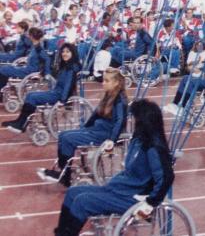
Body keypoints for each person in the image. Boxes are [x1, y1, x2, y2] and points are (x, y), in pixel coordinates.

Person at [53, 100, 174, 236]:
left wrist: (151, 202)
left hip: (132, 197)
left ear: (143, 121)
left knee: (82, 202)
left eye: (134, 118)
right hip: (119, 188)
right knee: (72, 193)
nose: (132, 121)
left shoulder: (154, 148)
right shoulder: (138, 139)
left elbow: (167, 177)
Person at [37, 68, 128, 187]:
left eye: (106, 81)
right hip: (97, 129)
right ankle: (62, 171)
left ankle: (65, 176)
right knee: (63, 135)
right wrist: (85, 128)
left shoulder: (120, 100)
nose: (103, 83)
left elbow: (120, 121)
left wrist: (112, 139)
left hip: (106, 133)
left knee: (68, 139)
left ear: (116, 83)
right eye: (103, 80)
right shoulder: (108, 95)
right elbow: (96, 114)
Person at [3, 43, 81, 133]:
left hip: (59, 95)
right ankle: (20, 121)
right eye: (63, 51)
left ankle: (21, 124)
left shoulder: (71, 68)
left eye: (67, 52)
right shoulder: (66, 66)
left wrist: (63, 101)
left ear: (73, 53)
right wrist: (44, 73)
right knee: (30, 95)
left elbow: (69, 85)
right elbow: (56, 78)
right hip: (55, 92)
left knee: (32, 97)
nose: (64, 53)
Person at [162, 44, 205, 116]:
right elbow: (203, 70)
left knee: (190, 82)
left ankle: (183, 107)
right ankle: (175, 104)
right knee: (185, 78)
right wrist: (194, 69)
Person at [0, 27, 51, 102]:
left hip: (29, 71)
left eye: (28, 34)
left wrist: (46, 73)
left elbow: (47, 59)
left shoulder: (38, 48)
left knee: (4, 69)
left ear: (31, 36)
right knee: (5, 68)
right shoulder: (35, 46)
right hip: (27, 68)